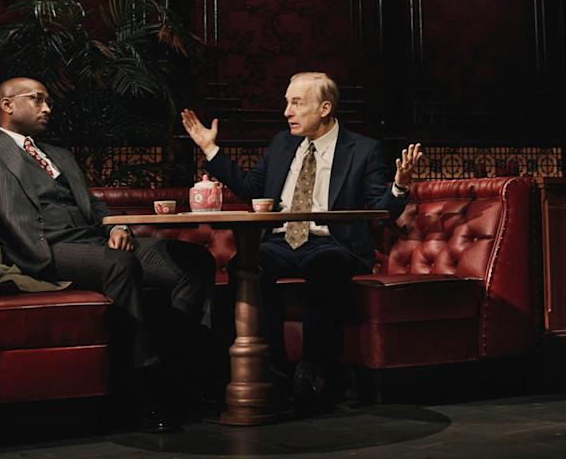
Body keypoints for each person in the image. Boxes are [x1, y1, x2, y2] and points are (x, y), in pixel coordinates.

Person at [0, 77, 215, 432]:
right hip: (45, 250)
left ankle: (178, 369)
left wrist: (117, 228)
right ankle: (141, 391)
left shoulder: (60, 155)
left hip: (93, 241)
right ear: (7, 105)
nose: (47, 108)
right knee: (119, 264)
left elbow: (93, 205)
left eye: (48, 101)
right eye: (37, 100)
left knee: (193, 261)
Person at [180, 71, 424, 415]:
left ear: (324, 108)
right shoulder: (282, 144)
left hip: (330, 243)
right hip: (280, 241)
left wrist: (399, 186)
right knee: (246, 267)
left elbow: (381, 209)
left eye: (296, 103)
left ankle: (313, 370)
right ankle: (274, 368)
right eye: (287, 102)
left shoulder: (363, 149)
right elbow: (250, 188)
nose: (287, 112)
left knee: (326, 266)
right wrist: (209, 148)